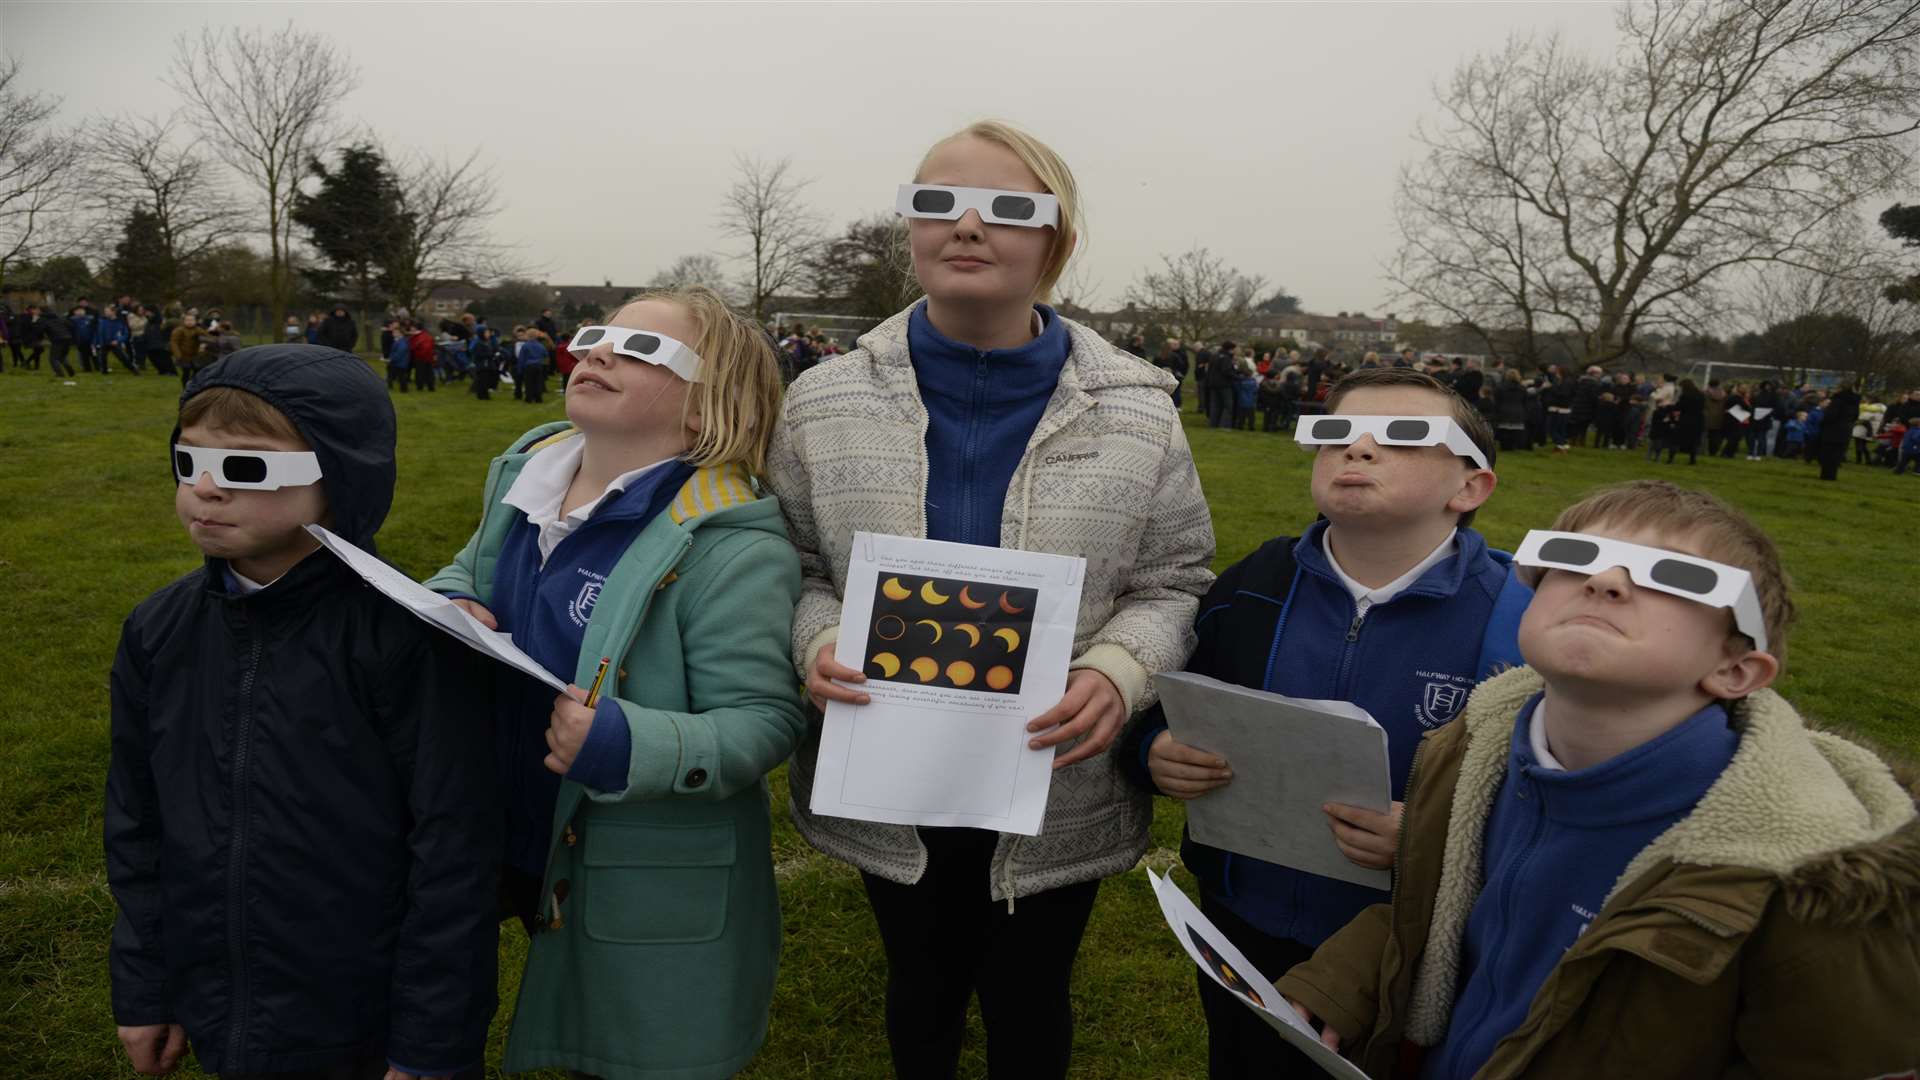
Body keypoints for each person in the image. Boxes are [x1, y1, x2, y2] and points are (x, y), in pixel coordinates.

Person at [768, 119, 1214, 1079]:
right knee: (918, 987)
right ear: (912, 229)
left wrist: (1121, 668)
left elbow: (1176, 580)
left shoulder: (1138, 407)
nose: (968, 227)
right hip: (888, 764)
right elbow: (796, 559)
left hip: (1055, 771)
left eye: (1010, 208)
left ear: (1056, 240)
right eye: (936, 203)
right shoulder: (822, 399)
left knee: (1030, 996)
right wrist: (816, 640)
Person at [1278, 479, 1920, 1078]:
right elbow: (1435, 909)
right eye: (1574, 557)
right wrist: (1347, 979)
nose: (1605, 580)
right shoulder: (1472, 753)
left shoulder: (1812, 886)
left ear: (1738, 671)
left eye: (1678, 578)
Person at [426, 286, 801, 1079]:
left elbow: (765, 718)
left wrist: (633, 743)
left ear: (706, 410)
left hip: (628, 860)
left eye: (642, 350)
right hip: (497, 817)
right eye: (598, 336)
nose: (597, 353)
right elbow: (475, 567)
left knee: (626, 1048)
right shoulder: (528, 473)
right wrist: (455, 595)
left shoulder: (732, 546)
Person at [1121, 366, 1526, 1079]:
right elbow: (1168, 697)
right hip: (1242, 919)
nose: (1358, 450)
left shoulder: (1520, 620)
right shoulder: (1256, 582)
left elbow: (1550, 797)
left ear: (1471, 486)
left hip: (1412, 944)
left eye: (1405, 436)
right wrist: (1151, 748)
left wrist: (1429, 837)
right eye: (1335, 433)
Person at [106, 344, 499, 1079]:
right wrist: (147, 984)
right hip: (219, 1000)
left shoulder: (408, 641)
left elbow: (455, 853)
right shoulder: (157, 630)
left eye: (247, 468)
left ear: (341, 478)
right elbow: (137, 821)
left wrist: (430, 1045)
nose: (206, 491)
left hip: (363, 1015)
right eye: (188, 463)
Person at [1816, 382, 1859, 482]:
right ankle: (1832, 476)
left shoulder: (1837, 400)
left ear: (1840, 388)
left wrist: (1823, 422)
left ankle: (1825, 475)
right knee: (1837, 454)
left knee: (1828, 453)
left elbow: (1831, 416)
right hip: (1846, 430)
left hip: (1832, 429)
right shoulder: (1855, 401)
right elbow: (1855, 416)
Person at [1669, 376, 1705, 464]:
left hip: (1686, 419)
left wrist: (1671, 407)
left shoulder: (1685, 396)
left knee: (1676, 440)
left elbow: (1680, 406)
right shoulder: (1701, 395)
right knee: (1693, 441)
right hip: (1698, 420)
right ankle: (1692, 460)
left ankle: (1670, 459)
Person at [1204, 341, 1239, 428]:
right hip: (1224, 384)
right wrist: (1236, 376)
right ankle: (1224, 425)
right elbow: (1226, 371)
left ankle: (1213, 424)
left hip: (1212, 384)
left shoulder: (1214, 356)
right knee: (1228, 406)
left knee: (1215, 405)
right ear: (1230, 349)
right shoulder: (1226, 358)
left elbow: (1209, 370)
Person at [1492, 367, 1528, 452]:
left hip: (1504, 410)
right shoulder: (1522, 388)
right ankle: (1513, 446)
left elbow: (1497, 400)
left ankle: (1505, 446)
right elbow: (1525, 401)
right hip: (1518, 411)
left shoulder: (1500, 387)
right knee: (1515, 431)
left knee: (1504, 430)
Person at [514, 327, 549, 404]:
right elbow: (545, 354)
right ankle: (538, 398)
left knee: (528, 383)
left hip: (529, 366)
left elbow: (521, 358)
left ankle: (529, 398)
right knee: (538, 382)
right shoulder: (540, 345)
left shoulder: (525, 346)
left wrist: (520, 369)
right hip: (538, 365)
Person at [468, 326, 501, 400]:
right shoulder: (479, 343)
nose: (488, 334)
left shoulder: (487, 342)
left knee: (486, 380)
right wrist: (491, 355)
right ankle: (481, 395)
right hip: (482, 364)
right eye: (486, 333)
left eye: (488, 332)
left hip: (488, 364)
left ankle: (485, 394)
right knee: (482, 380)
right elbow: (477, 354)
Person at [1156, 337, 1190, 408]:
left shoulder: (1159, 356)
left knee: (1169, 392)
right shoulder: (1173, 356)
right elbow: (1181, 365)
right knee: (1174, 392)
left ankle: (1170, 405)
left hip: (1165, 376)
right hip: (1171, 376)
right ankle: (1174, 406)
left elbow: (1155, 365)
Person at [408, 320, 437, 392]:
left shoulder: (416, 337)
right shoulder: (427, 335)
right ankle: (431, 386)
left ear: (415, 328)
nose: (411, 329)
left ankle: (420, 386)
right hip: (429, 357)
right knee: (429, 372)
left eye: (412, 327)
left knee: (419, 373)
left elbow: (412, 346)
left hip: (420, 357)